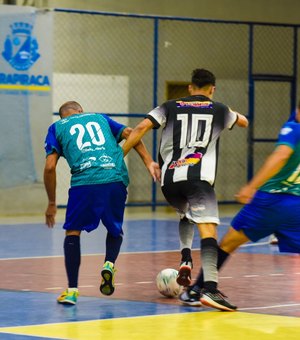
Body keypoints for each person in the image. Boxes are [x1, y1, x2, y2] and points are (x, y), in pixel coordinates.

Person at [122, 68, 248, 311]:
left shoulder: (169, 106)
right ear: (212, 89)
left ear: (190, 88)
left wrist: (120, 156)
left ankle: (185, 257)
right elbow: (243, 121)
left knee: (187, 214)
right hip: (198, 178)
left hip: (169, 182)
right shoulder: (220, 109)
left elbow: (139, 130)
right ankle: (210, 289)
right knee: (208, 228)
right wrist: (231, 113)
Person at [44, 101, 159, 305]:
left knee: (73, 232)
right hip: (115, 177)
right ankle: (109, 263)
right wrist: (149, 161)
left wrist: (52, 202)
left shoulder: (57, 128)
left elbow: (50, 167)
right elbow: (133, 133)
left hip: (85, 182)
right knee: (115, 230)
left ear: (63, 117)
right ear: (80, 111)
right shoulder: (100, 117)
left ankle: (72, 291)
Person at [189, 102, 300, 311]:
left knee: (228, 243)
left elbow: (281, 154)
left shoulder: (293, 128)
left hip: (270, 201)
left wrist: (251, 186)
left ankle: (198, 289)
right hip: (296, 205)